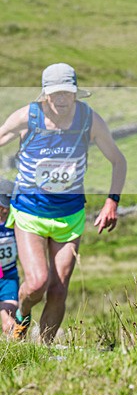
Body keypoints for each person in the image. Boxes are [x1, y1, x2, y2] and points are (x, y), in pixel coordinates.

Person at [0, 63, 127, 343]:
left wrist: (111, 202)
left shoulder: (89, 120)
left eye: (66, 93)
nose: (61, 99)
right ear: (45, 94)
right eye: (55, 93)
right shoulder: (27, 117)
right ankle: (22, 313)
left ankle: (42, 350)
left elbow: (118, 161)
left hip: (69, 216)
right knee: (36, 284)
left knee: (59, 289)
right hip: (30, 213)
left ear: (75, 94)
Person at [0, 179, 19, 335]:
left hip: (8, 277)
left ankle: (11, 352)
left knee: (9, 319)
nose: (4, 209)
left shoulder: (16, 221)